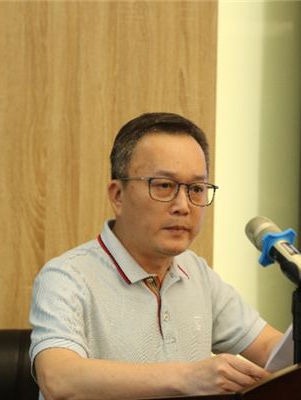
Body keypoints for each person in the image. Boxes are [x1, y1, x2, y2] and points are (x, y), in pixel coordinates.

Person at [29, 112, 283, 400]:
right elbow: (58, 379)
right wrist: (189, 378)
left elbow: (269, 347)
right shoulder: (67, 277)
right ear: (118, 196)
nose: (183, 206)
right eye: (164, 185)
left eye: (196, 189)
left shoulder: (196, 272)